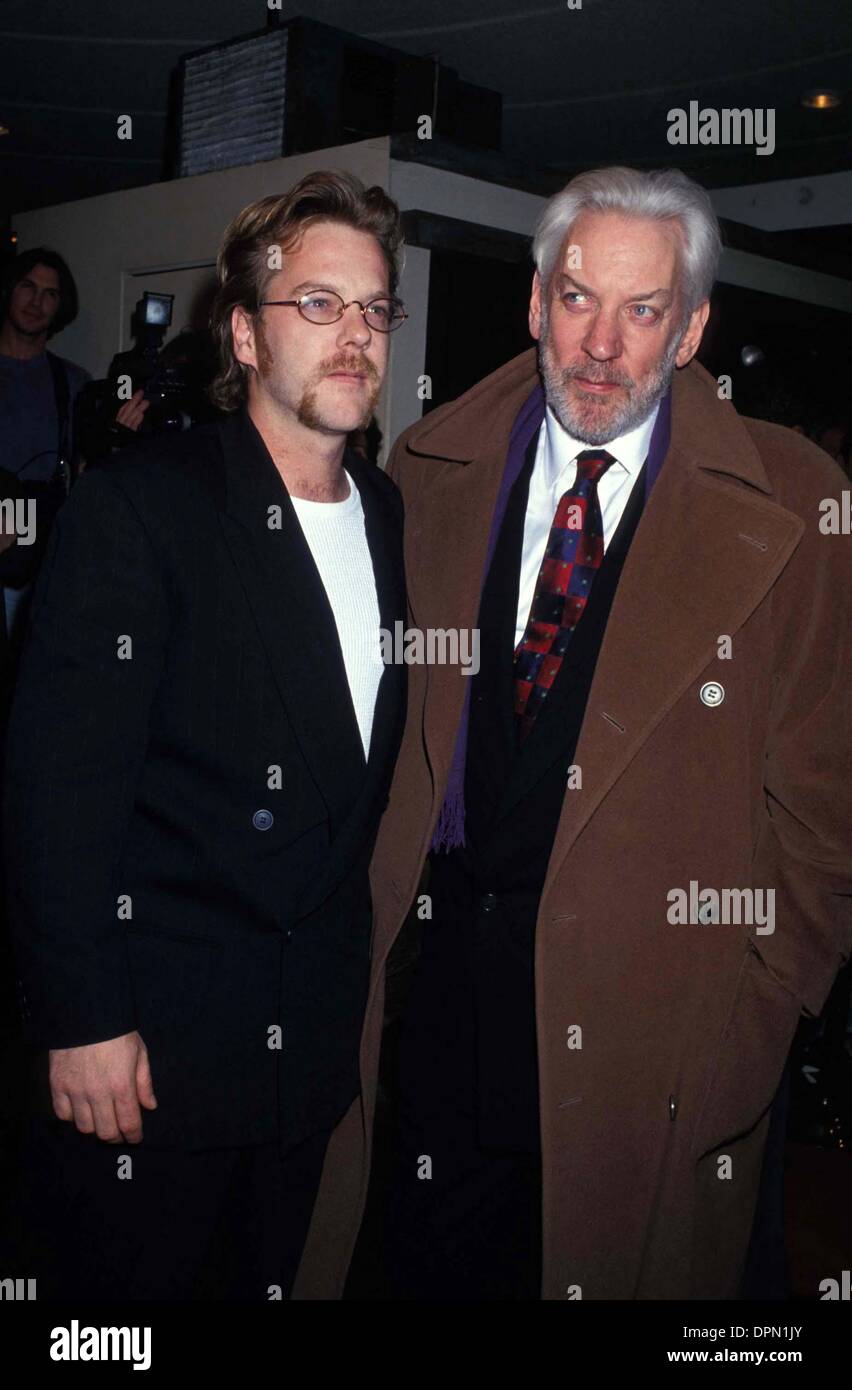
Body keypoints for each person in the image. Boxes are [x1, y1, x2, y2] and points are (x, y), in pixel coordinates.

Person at [292, 166, 852, 1301]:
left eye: (643, 311)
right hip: (436, 1014)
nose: (601, 345)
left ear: (690, 328)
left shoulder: (801, 507)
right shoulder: (425, 473)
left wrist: (756, 1016)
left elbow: (826, 814)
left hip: (658, 1028)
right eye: (579, 298)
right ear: (536, 303)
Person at [3, 170, 407, 1301]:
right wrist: (81, 1016)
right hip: (152, 1048)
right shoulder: (144, 505)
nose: (355, 336)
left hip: (303, 1042)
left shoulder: (385, 511)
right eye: (317, 305)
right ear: (242, 328)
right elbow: (55, 785)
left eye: (375, 309)